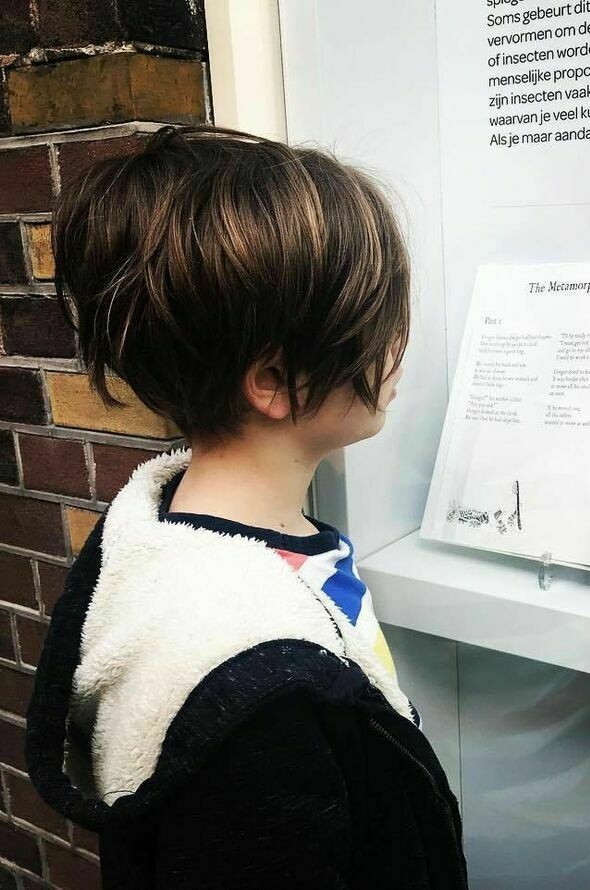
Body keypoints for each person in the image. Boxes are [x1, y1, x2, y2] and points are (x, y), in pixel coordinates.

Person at [25, 124, 467, 889]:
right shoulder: (257, 696)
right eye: (376, 320)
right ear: (274, 382)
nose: (398, 343)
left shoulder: (182, 543)